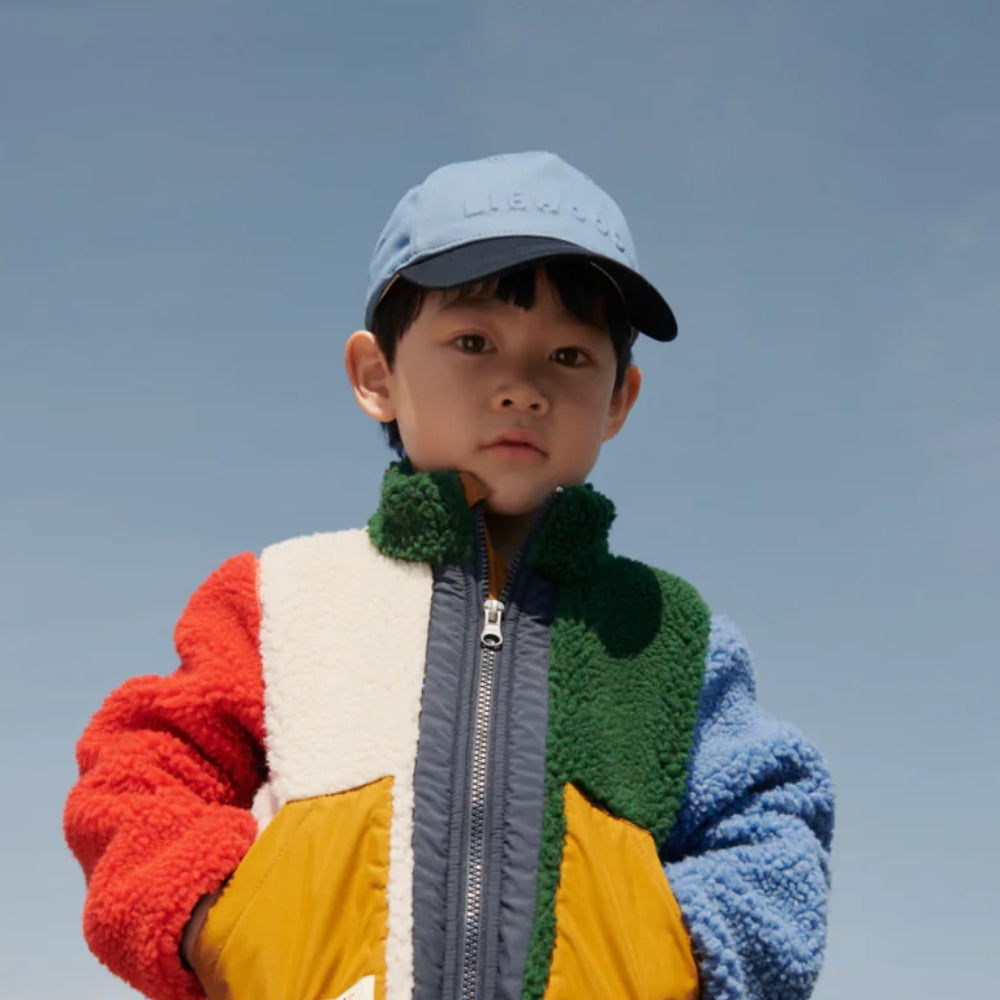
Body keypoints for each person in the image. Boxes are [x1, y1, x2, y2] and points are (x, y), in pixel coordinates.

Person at [65, 151, 834, 1000]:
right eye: (474, 342)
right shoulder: (281, 599)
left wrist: (675, 956)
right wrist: (216, 923)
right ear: (377, 377)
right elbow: (138, 772)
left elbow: (773, 828)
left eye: (570, 356)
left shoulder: (668, 633)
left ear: (619, 399)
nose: (523, 388)